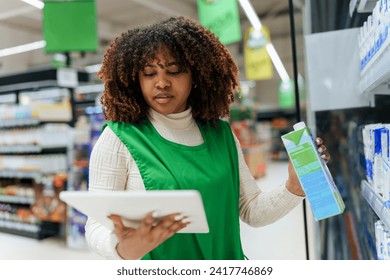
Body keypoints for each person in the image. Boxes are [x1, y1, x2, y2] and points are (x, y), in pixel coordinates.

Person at [85, 16, 330, 260]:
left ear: (197, 76)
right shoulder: (119, 139)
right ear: (135, 80)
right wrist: (123, 247)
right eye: (149, 73)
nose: (161, 83)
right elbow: (96, 226)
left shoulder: (221, 135)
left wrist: (294, 188)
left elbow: (252, 210)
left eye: (174, 70)